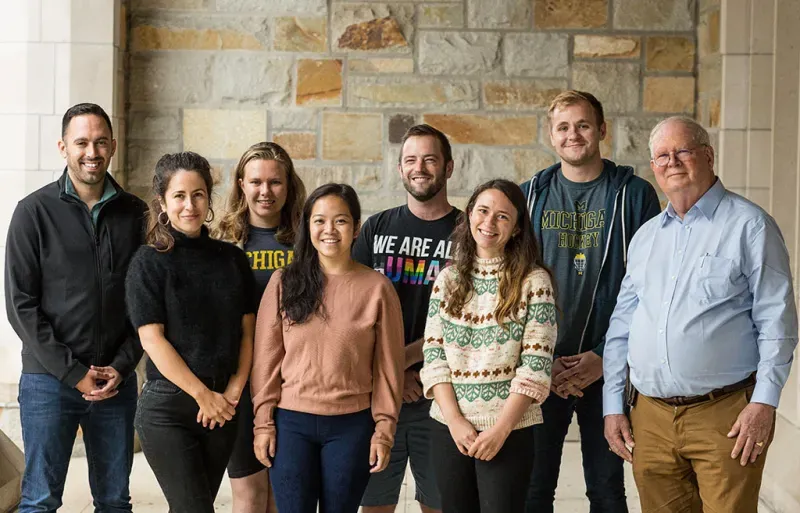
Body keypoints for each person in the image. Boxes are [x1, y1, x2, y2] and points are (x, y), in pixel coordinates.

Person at [603, 116, 798, 512]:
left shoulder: (751, 226)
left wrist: (764, 403)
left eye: (683, 151)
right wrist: (612, 406)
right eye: (661, 156)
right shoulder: (646, 237)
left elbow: (777, 322)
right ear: (654, 168)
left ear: (708, 156)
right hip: (651, 418)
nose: (672, 161)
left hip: (725, 416)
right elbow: (621, 326)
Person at [519, 90, 661, 512]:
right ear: (551, 135)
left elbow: (651, 287)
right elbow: (514, 282)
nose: (573, 135)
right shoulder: (530, 196)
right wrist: (540, 359)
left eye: (583, 125)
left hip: (609, 366)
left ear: (601, 130)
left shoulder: (634, 195)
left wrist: (603, 356)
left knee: (607, 489)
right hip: (542, 366)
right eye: (563, 127)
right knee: (534, 490)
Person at [5, 103, 147, 513]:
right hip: (49, 381)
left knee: (115, 501)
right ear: (63, 147)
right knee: (39, 500)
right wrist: (73, 372)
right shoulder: (33, 212)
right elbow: (20, 305)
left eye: (101, 141)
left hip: (114, 382)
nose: (92, 151)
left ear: (113, 146)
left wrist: (121, 365)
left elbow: (146, 305)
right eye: (81, 142)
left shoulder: (136, 214)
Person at [251, 183, 405, 513]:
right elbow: (266, 360)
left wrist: (383, 431)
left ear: (356, 228)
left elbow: (388, 368)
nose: (329, 230)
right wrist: (263, 423)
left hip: (352, 426)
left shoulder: (377, 289)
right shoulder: (284, 281)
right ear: (307, 227)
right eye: (319, 220)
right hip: (291, 425)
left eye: (340, 221)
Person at [125, 151, 257, 513]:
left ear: (209, 199)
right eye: (179, 196)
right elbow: (152, 339)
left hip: (223, 407)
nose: (190, 205)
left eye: (198, 194)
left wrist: (232, 390)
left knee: (194, 508)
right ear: (163, 203)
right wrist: (203, 395)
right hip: (169, 408)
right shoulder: (148, 263)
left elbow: (248, 333)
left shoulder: (231, 259)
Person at [421, 179, 558, 513]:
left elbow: (536, 366)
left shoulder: (534, 281)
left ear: (515, 228)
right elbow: (434, 355)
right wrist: (454, 420)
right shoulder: (448, 280)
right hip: (450, 428)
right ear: (469, 215)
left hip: (508, 430)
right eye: (483, 211)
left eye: (502, 216)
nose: (489, 222)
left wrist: (499, 430)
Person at [354, 124, 460, 513]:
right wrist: (391, 376)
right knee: (375, 505)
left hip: (444, 397)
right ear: (400, 169)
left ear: (448, 167)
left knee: (440, 503)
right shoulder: (376, 228)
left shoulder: (469, 232)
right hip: (381, 395)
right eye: (411, 160)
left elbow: (468, 321)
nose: (420, 167)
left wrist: (410, 367)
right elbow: (354, 313)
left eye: (430, 159)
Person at [216, 141, 306, 513]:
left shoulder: (308, 241)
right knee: (251, 496)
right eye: (255, 182)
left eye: (275, 182)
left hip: (295, 382)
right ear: (240, 183)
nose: (264, 192)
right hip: (240, 383)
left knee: (286, 495)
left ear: (289, 186)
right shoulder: (223, 241)